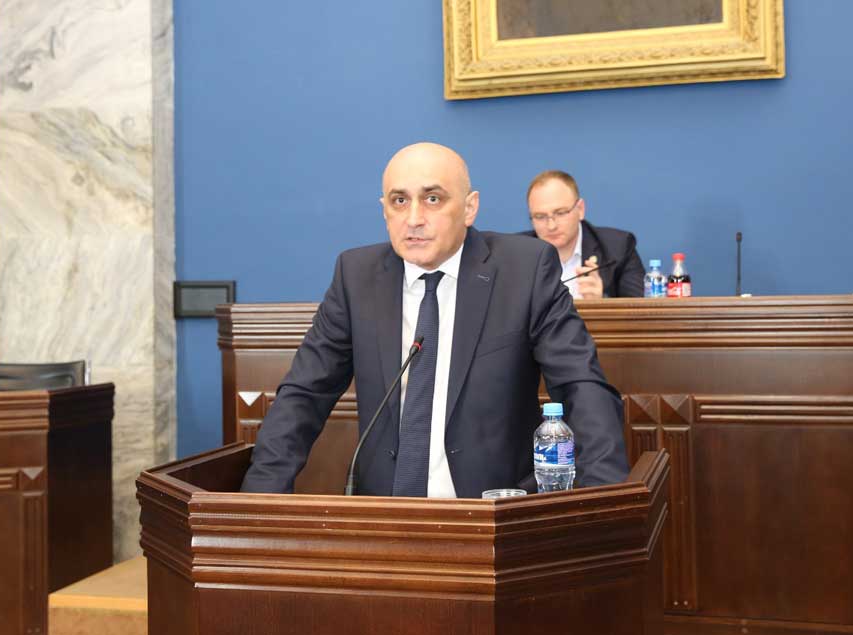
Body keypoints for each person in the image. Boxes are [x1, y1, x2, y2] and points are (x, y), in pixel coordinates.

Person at [241, 143, 629, 498]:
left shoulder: (524, 269)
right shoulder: (356, 276)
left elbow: (581, 386)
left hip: (494, 515)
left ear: (470, 208)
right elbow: (303, 395)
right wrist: (257, 502)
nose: (414, 219)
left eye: (432, 199)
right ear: (384, 209)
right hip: (385, 515)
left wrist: (606, 503)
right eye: (399, 201)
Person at [524, 170, 645, 299]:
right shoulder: (517, 254)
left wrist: (601, 302)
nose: (551, 226)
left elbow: (639, 309)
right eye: (540, 216)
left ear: (580, 209)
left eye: (560, 213)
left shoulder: (618, 248)